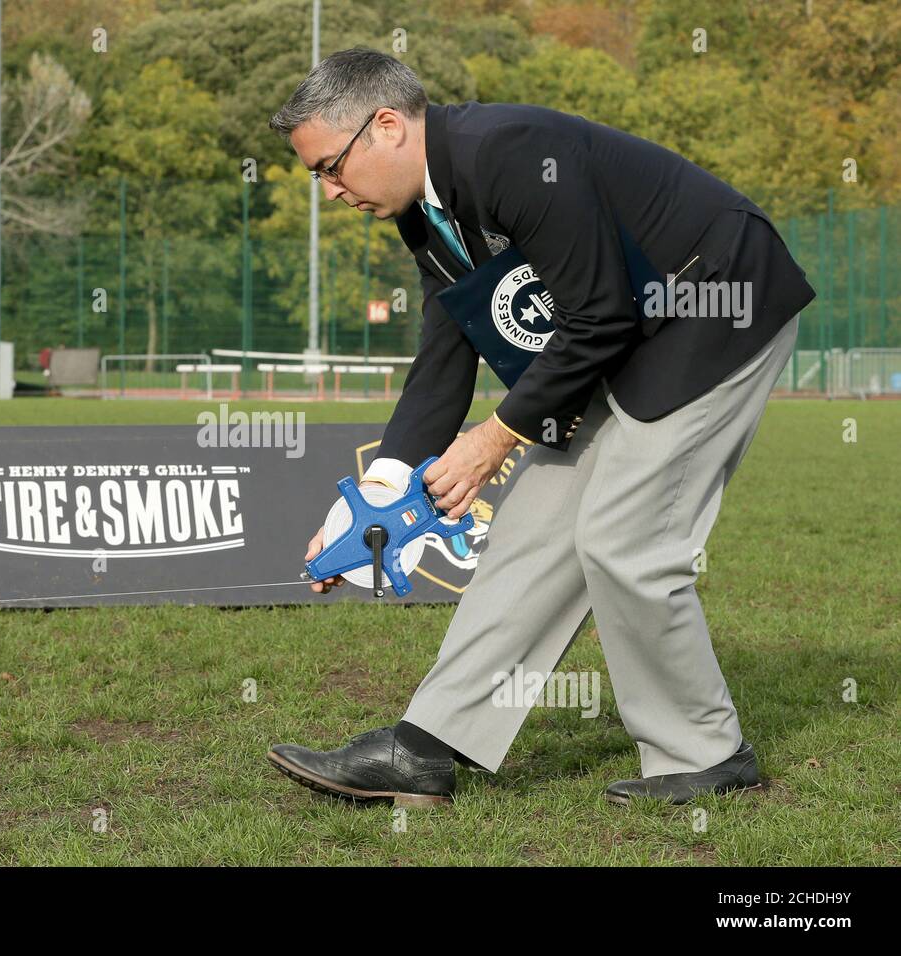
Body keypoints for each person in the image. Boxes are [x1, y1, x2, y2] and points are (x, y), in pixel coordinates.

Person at [264, 48, 814, 807]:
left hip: (716, 307)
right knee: (529, 532)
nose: (328, 191)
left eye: (329, 167)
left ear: (385, 126)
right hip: (634, 328)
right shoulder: (425, 210)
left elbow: (598, 314)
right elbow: (447, 343)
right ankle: (424, 749)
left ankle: (708, 753)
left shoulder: (510, 154)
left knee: (625, 541)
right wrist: (376, 494)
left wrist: (495, 438)